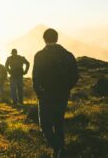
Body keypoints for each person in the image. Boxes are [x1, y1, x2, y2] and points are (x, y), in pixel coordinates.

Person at [32, 28, 79, 158]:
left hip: (46, 95)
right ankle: (59, 151)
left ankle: (58, 148)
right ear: (57, 38)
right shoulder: (68, 55)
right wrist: (66, 88)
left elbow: (35, 78)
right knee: (59, 123)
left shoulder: (40, 55)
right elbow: (75, 76)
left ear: (44, 39)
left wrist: (39, 93)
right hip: (62, 96)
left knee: (45, 126)